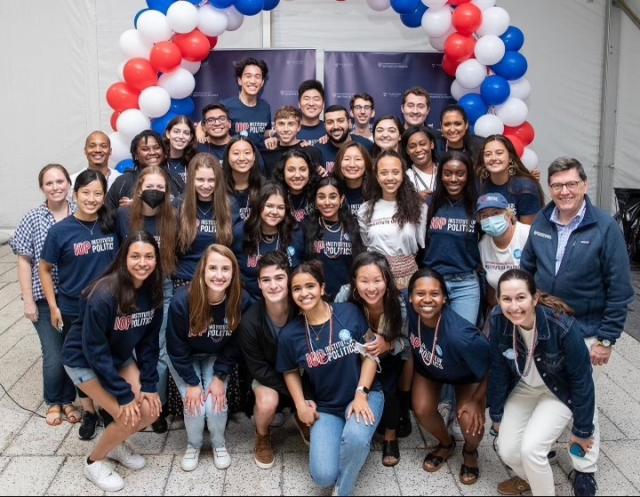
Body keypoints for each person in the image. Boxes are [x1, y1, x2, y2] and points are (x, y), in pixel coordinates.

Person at [520, 157, 634, 497]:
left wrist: (607, 339)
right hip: (545, 328)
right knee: (550, 390)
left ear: (584, 186)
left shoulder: (604, 227)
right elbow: (527, 267)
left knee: (583, 397)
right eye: (557, 185)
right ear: (550, 188)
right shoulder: (543, 219)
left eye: (571, 184)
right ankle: (545, 444)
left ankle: (585, 467)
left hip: (586, 330)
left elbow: (620, 288)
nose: (565, 191)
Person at [62, 231, 163, 492]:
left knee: (150, 410)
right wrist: (123, 394)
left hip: (117, 357)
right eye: (135, 256)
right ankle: (94, 461)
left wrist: (149, 384)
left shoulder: (153, 292)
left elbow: (150, 345)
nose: (143, 262)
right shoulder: (104, 294)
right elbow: (94, 350)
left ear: (157, 259)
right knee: (128, 416)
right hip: (83, 360)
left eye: (149, 256)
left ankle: (116, 444)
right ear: (123, 258)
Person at [276, 261, 384, 496]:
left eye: (310, 286)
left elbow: (370, 355)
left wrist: (361, 394)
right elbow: (289, 371)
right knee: (323, 475)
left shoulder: (349, 312)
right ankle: (357, 444)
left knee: (355, 438)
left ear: (322, 288)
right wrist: (300, 405)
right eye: (297, 289)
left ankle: (343, 489)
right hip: (326, 406)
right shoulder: (290, 334)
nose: (304, 293)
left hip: (365, 393)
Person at [489, 269, 596, 497]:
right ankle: (533, 479)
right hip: (525, 386)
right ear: (498, 300)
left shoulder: (562, 327)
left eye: (521, 298)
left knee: (531, 450)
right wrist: (497, 415)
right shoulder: (498, 319)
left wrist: (582, 431)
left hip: (557, 390)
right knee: (506, 450)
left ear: (534, 298)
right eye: (506, 299)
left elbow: (583, 381)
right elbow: (497, 369)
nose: (514, 306)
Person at [40, 169, 119, 439]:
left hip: (109, 307)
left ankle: (108, 407)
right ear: (75, 195)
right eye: (86, 192)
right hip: (74, 308)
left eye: (98, 193)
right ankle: (89, 411)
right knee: (82, 361)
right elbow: (45, 269)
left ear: (104, 196)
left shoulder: (111, 224)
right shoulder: (60, 231)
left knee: (107, 359)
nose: (91, 198)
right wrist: (53, 306)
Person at [407, 268, 489, 485]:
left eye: (434, 294)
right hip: (431, 368)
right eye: (420, 293)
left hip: (466, 376)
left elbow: (495, 366)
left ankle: (470, 452)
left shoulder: (462, 336)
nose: (426, 300)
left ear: (444, 298)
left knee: (469, 422)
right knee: (422, 409)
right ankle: (446, 443)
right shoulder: (410, 311)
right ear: (410, 297)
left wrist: (476, 400)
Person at [10, 164, 77, 427]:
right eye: (49, 183)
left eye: (60, 181)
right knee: (53, 353)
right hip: (42, 297)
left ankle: (70, 399)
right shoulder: (33, 218)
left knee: (72, 350)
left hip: (73, 296)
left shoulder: (79, 212)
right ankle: (53, 401)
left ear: (68, 184)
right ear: (42, 188)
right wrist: (28, 299)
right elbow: (24, 261)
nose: (56, 187)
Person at [167, 244, 242, 471]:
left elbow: (235, 343)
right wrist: (191, 383)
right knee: (195, 405)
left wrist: (220, 376)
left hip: (215, 355)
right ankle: (194, 444)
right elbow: (175, 347)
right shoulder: (182, 301)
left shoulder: (239, 299)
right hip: (184, 358)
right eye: (213, 268)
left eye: (225, 269)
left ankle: (219, 443)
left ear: (233, 272)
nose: (219, 275)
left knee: (216, 402)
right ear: (202, 270)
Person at [114, 165, 178, 433]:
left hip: (161, 287)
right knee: (129, 349)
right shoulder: (124, 214)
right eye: (149, 187)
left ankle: (155, 407)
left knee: (160, 350)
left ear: (167, 193)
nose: (154, 192)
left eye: (160, 188)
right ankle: (131, 402)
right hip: (129, 288)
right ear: (138, 189)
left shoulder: (173, 215)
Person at [335, 252, 410, 467]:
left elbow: (406, 341)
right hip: (353, 353)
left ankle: (390, 435)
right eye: (364, 281)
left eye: (377, 280)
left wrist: (389, 344)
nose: (371, 287)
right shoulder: (345, 296)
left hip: (388, 355)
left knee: (390, 385)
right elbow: (336, 326)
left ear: (387, 279)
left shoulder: (398, 305)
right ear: (354, 281)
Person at [238, 252, 302, 469]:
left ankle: (301, 418)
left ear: (289, 279)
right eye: (266, 280)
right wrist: (297, 397)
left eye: (279, 278)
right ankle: (263, 436)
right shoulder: (250, 321)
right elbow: (257, 369)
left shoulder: (302, 310)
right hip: (267, 378)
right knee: (267, 402)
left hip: (301, 375)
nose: (273, 285)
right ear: (259, 284)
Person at [423, 151, 481, 326]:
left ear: (468, 175)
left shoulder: (478, 205)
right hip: (432, 282)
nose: (453, 179)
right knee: (433, 338)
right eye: (447, 173)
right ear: (440, 175)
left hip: (466, 284)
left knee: (462, 338)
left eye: (460, 173)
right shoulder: (429, 204)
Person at [358, 150, 427, 291]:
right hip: (376, 280)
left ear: (403, 175)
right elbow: (366, 243)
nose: (390, 178)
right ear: (377, 176)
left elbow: (421, 245)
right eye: (384, 173)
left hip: (408, 279)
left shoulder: (419, 208)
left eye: (395, 172)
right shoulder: (365, 210)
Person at [174, 153, 237, 286]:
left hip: (218, 279)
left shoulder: (230, 205)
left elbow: (235, 248)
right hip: (185, 279)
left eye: (211, 180)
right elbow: (171, 249)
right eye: (200, 179)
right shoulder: (179, 204)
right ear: (191, 180)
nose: (206, 185)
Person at [237, 182, 305, 302]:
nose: (274, 212)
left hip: (285, 302)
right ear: (259, 206)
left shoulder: (295, 233)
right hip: (247, 302)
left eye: (280, 207)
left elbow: (298, 272)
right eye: (269, 206)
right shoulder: (241, 232)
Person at [305, 177, 363, 299]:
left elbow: (360, 265)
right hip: (317, 298)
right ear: (315, 200)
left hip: (350, 298)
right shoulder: (307, 227)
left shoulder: (354, 226)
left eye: (332, 197)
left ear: (341, 199)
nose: (327, 202)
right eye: (321, 197)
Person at [477, 193, 531, 307]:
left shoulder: (528, 235)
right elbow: (492, 289)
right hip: (503, 308)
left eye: (496, 213)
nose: (490, 219)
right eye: (484, 216)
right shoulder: (483, 245)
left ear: (508, 214)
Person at [477, 134, 544, 225]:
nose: (493, 158)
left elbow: (528, 232)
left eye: (499, 153)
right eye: (488, 154)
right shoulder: (479, 185)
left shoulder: (525, 187)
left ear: (510, 158)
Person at [106, 130, 166, 210]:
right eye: (145, 149)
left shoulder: (173, 178)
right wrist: (124, 212)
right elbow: (107, 214)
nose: (152, 152)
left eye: (156, 148)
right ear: (136, 155)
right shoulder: (123, 182)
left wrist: (139, 204)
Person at [221, 57, 272, 149]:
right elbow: (204, 124)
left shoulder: (265, 107)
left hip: (259, 160)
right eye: (248, 76)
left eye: (257, 77)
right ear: (240, 80)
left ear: (262, 82)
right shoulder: (225, 106)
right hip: (236, 159)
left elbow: (265, 132)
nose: (253, 81)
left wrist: (275, 135)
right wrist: (200, 131)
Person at [262, 106, 323, 178]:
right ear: (275, 127)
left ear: (298, 127)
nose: (286, 129)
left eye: (291, 124)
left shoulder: (312, 152)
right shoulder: (267, 152)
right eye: (281, 124)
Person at [316, 105, 374, 175]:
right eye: (330, 122)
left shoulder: (366, 145)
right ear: (325, 126)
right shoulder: (317, 150)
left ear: (349, 123)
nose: (335, 126)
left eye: (340, 121)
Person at [273, 149, 320, 225]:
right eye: (291, 170)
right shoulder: (274, 196)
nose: (297, 175)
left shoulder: (319, 194)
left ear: (310, 172)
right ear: (283, 172)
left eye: (303, 169)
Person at [222, 136, 263, 223]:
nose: (241, 158)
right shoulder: (218, 187)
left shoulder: (264, 187)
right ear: (228, 157)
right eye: (236, 153)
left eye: (247, 153)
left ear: (254, 156)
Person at [333, 141, 372, 217]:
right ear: (339, 163)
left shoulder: (376, 191)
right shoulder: (332, 191)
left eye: (358, 159)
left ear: (366, 163)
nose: (352, 165)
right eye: (347, 159)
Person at [164, 115, 197, 198]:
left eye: (186, 133)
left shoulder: (196, 161)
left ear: (190, 137)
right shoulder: (158, 160)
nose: (181, 136)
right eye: (176, 131)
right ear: (168, 134)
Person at [402, 126, 438, 202]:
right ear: (407, 150)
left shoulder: (445, 171)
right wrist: (415, 199)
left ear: (431, 144)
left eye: (422, 144)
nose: (418, 150)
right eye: (412, 146)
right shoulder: (404, 177)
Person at [297, 80, 327, 145]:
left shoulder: (329, 130)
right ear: (299, 104)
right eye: (306, 99)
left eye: (316, 99)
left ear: (323, 104)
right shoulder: (289, 131)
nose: (311, 103)